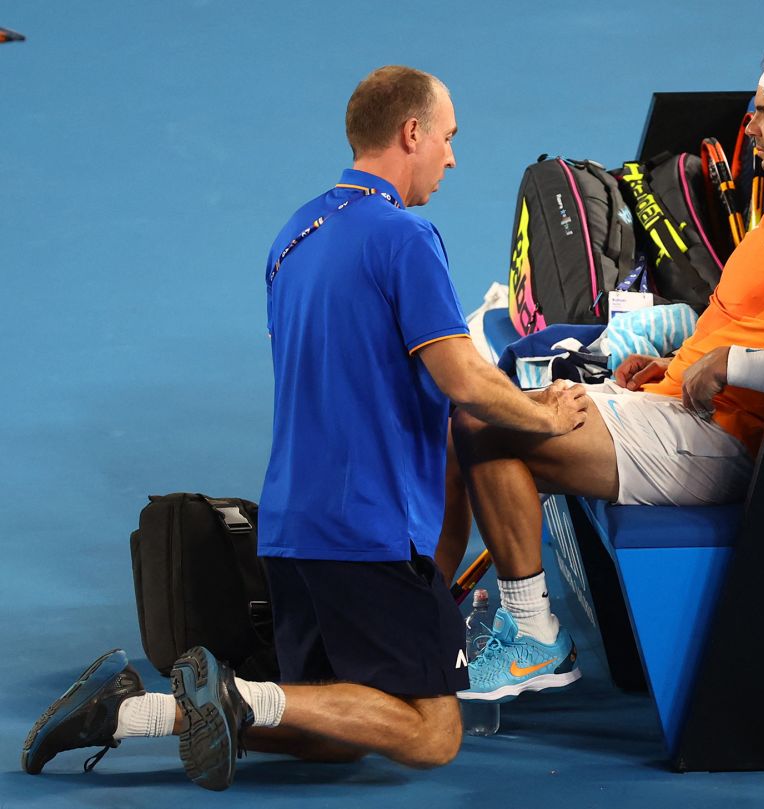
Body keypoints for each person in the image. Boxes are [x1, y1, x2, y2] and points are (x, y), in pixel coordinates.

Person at [21, 65, 587, 791]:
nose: (452, 158)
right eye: (447, 139)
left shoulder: (291, 238)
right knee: (432, 731)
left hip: (292, 531)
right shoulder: (406, 236)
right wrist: (544, 413)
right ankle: (234, 695)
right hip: (368, 532)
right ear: (411, 133)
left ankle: (129, 713)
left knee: (337, 731)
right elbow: (461, 380)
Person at [453, 45, 764, 703]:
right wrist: (677, 361)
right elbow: (754, 321)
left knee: (486, 429)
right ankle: (465, 622)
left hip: (726, 440)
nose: (750, 126)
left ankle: (534, 638)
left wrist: (731, 365)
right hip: (677, 405)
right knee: (478, 424)